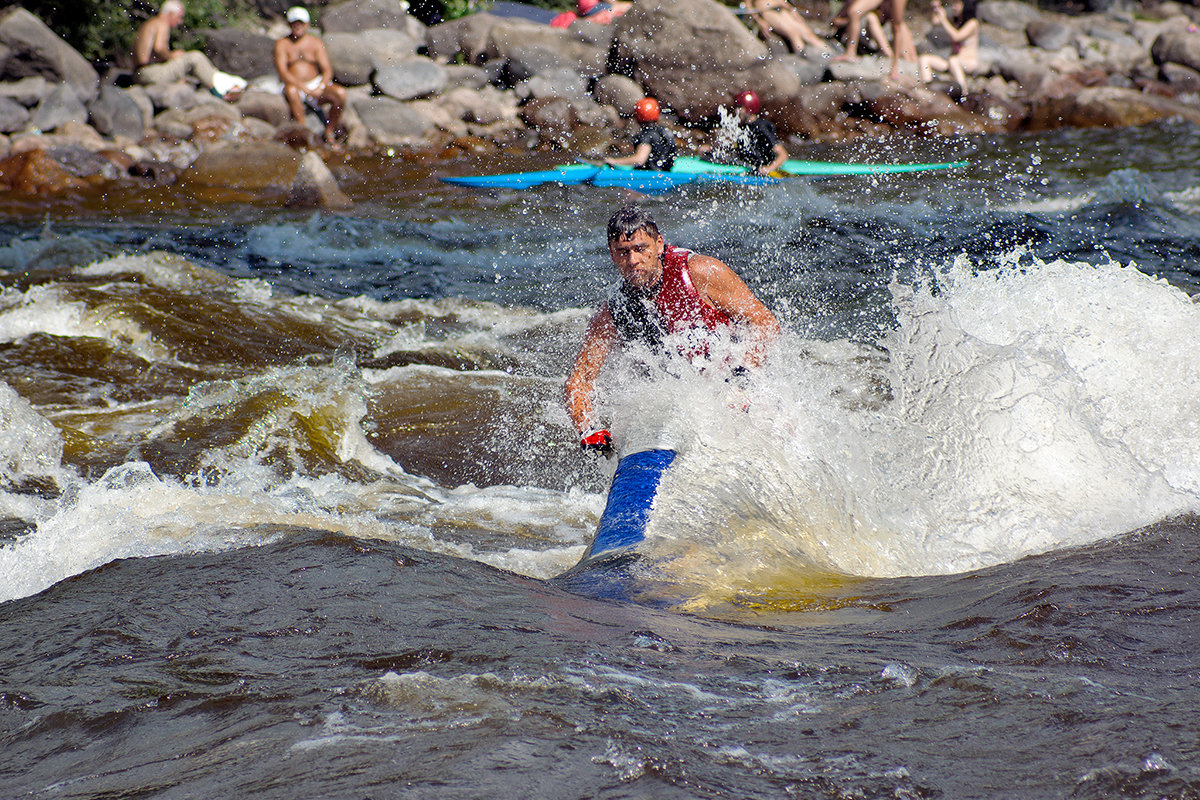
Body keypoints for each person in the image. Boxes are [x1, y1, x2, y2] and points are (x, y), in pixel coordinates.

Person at [565, 204, 780, 452]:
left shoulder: (700, 272)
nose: (633, 260)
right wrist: (588, 429)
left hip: (741, 390)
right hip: (682, 403)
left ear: (658, 245)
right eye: (623, 252)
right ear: (612, 255)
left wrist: (744, 377)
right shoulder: (614, 310)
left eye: (640, 249)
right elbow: (579, 381)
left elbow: (764, 322)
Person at [133, 0, 244, 100]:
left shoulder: (147, 25)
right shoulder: (161, 23)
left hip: (139, 75)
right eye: (179, 17)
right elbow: (159, 48)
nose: (180, 21)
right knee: (195, 57)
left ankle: (220, 84)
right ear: (170, 14)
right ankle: (219, 93)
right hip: (150, 74)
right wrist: (172, 55)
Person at [274, 6, 347, 146]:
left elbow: (327, 70)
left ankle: (329, 130)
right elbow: (283, 72)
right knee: (291, 90)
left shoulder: (315, 43)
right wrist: (303, 88)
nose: (297, 26)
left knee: (340, 93)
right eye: (294, 23)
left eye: (300, 23)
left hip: (315, 83)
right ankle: (305, 132)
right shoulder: (282, 44)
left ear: (307, 24)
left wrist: (321, 86)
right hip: (294, 85)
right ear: (289, 24)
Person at [710, 90, 788, 176]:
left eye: (740, 107)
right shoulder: (742, 127)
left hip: (760, 168)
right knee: (707, 157)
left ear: (749, 108)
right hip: (744, 164)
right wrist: (711, 149)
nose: (736, 111)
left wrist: (768, 169)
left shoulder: (762, 127)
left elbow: (783, 155)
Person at [918, 0, 980, 94]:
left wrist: (944, 20)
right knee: (924, 59)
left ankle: (963, 92)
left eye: (957, 4)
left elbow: (957, 37)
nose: (954, 7)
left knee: (953, 61)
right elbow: (935, 21)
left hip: (968, 62)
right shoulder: (956, 20)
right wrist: (936, 8)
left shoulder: (973, 23)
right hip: (952, 62)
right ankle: (928, 88)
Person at [605, 98, 677, 172]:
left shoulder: (647, 134)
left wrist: (614, 161)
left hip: (649, 176)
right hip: (666, 173)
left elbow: (640, 159)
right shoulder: (665, 131)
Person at [749, 0, 831, 55]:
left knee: (809, 34)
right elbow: (749, 7)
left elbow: (783, 1)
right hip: (769, 11)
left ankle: (830, 55)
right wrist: (760, 21)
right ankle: (803, 56)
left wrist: (793, 12)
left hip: (784, 10)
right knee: (793, 33)